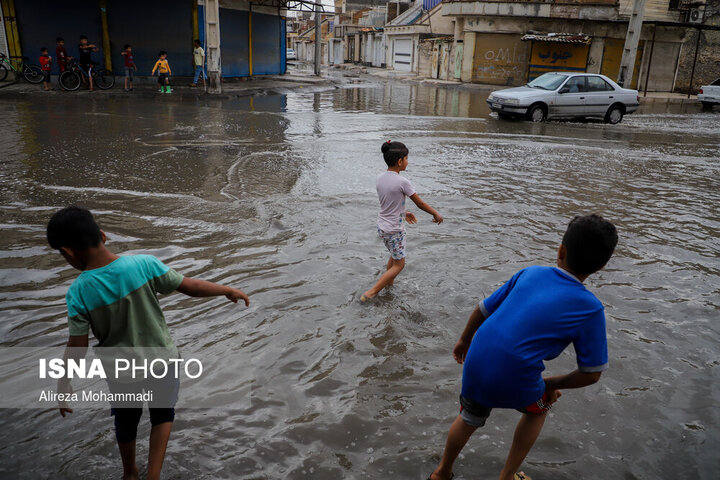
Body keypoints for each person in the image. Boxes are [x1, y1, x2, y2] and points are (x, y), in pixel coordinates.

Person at [47, 206, 250, 480]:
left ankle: (130, 473)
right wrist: (226, 289)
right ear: (103, 236)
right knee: (163, 415)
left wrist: (64, 382)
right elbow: (189, 286)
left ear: (68, 251)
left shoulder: (78, 291)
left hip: (122, 372)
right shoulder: (144, 264)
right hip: (163, 361)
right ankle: (153, 475)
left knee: (126, 421)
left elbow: (78, 346)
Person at [429, 215, 618, 480]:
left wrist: (463, 340)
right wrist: (549, 385)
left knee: (469, 417)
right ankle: (506, 476)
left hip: (476, 362)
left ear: (561, 250)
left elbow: (482, 309)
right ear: (602, 266)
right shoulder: (591, 308)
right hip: (515, 377)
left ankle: (442, 471)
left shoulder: (530, 273)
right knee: (539, 408)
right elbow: (592, 373)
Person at [361, 141, 443, 301]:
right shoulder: (402, 182)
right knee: (400, 264)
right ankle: (371, 292)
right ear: (399, 161)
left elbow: (389, 203)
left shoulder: (380, 178)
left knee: (394, 256)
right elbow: (420, 203)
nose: (408, 161)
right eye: (406, 158)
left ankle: (389, 284)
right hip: (394, 230)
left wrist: (404, 213)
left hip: (382, 226)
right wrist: (435, 213)